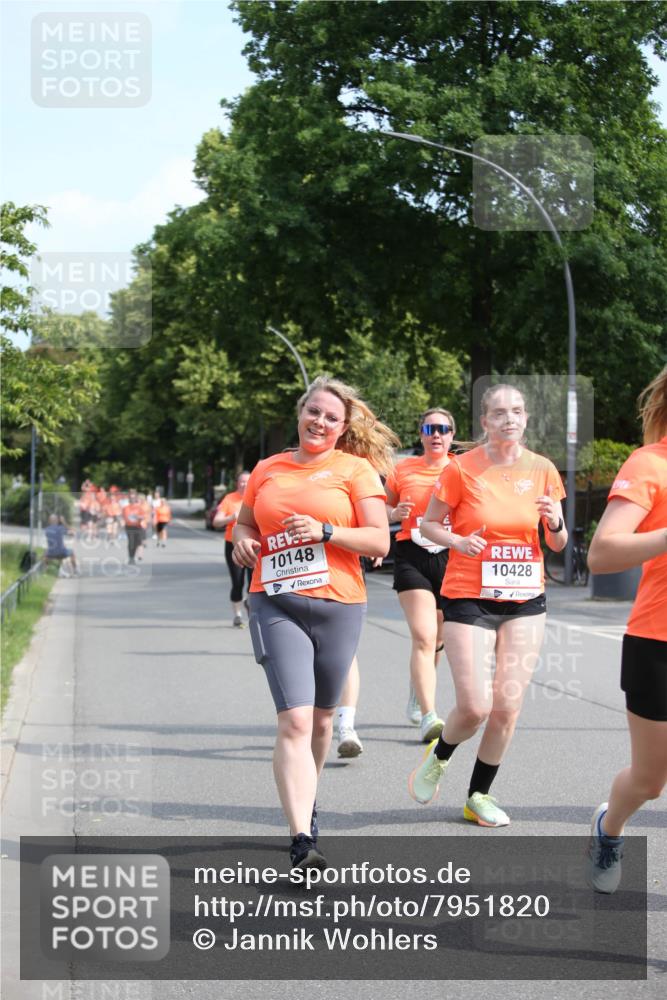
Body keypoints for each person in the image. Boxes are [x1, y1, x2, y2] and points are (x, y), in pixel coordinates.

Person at [232, 375, 397, 868]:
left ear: (343, 427)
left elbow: (379, 541)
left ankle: (309, 797)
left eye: (331, 417)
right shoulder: (268, 468)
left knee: (323, 720)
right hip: (274, 599)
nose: (320, 422)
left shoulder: (355, 470)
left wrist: (327, 531)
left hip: (340, 604)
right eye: (314, 412)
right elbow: (244, 523)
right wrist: (242, 540)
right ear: (300, 412)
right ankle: (301, 836)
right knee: (296, 719)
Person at [408, 383, 567, 827]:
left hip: (525, 598)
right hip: (469, 595)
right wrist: (458, 539)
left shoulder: (543, 470)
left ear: (526, 418)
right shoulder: (462, 469)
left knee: (507, 706)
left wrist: (555, 521)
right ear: (484, 422)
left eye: (517, 411)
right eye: (499, 413)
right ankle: (439, 755)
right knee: (475, 705)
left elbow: (557, 540)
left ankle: (478, 795)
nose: (509, 419)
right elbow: (429, 525)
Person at [586, 367, 667, 893]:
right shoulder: (650, 464)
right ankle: (608, 827)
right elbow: (601, 554)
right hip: (658, 642)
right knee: (649, 781)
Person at [385, 409, 457, 742]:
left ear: (452, 435)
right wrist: (392, 512)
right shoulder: (402, 469)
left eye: (443, 429)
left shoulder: (462, 470)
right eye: (430, 428)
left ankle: (418, 691)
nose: (436, 434)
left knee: (439, 637)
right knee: (424, 636)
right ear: (421, 433)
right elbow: (381, 509)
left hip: (451, 556)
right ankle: (430, 715)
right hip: (411, 554)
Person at [214, 471, 252, 627]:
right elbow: (216, 521)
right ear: (237, 483)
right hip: (233, 544)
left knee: (254, 583)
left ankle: (250, 604)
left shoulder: (257, 497)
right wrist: (231, 517)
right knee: (237, 582)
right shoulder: (229, 499)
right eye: (242, 481)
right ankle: (237, 616)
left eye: (247, 481)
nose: (244, 484)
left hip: (253, 544)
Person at [122, 490, 148, 565]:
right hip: (129, 527)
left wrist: (138, 517)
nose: (132, 499)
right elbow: (122, 516)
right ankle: (131, 558)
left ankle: (133, 556)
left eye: (133, 498)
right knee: (131, 542)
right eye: (131, 498)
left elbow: (143, 516)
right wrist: (121, 521)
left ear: (135, 499)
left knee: (137, 542)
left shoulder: (139, 507)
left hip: (138, 526)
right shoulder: (126, 508)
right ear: (129, 499)